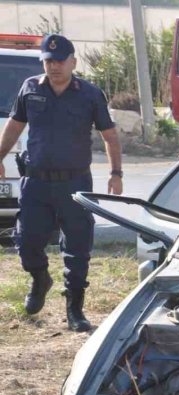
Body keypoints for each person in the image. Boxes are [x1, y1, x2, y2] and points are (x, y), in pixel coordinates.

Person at [0, 34, 122, 332]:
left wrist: (116, 173)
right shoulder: (30, 88)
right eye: (48, 60)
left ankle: (74, 310)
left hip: (75, 182)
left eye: (59, 60)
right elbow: (15, 125)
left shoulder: (90, 94)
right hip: (36, 183)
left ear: (73, 62)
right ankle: (40, 278)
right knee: (27, 240)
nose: (53, 66)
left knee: (77, 248)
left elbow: (110, 136)